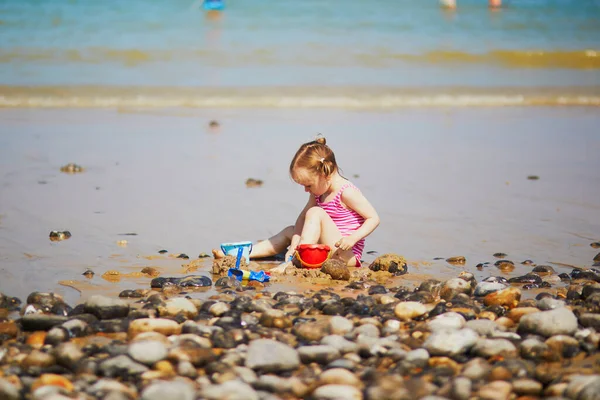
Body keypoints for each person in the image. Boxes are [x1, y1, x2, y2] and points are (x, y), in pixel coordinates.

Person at [213, 136, 380, 271]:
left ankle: (294, 261)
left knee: (315, 213)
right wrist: (295, 242)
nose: (306, 190)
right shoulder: (319, 192)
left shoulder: (346, 192)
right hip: (324, 248)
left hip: (344, 254)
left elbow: (373, 218)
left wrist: (353, 238)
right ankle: (243, 254)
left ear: (326, 172)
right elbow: (302, 219)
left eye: (308, 185)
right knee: (290, 230)